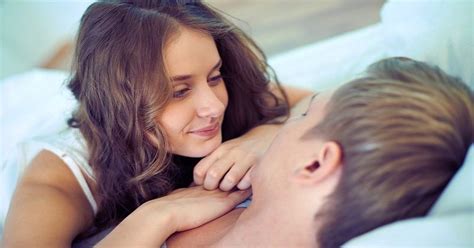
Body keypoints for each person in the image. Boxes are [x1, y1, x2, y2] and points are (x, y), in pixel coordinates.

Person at [1, 0, 313, 246]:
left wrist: (262, 136)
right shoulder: (58, 179)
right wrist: (159, 216)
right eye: (179, 91)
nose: (213, 106)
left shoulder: (227, 96)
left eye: (214, 76)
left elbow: (324, 100)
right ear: (121, 102)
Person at [166, 57, 474, 247]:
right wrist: (261, 134)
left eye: (301, 117)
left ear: (314, 165)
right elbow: (283, 96)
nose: (284, 123)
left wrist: (153, 221)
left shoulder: (213, 203)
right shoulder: (245, 194)